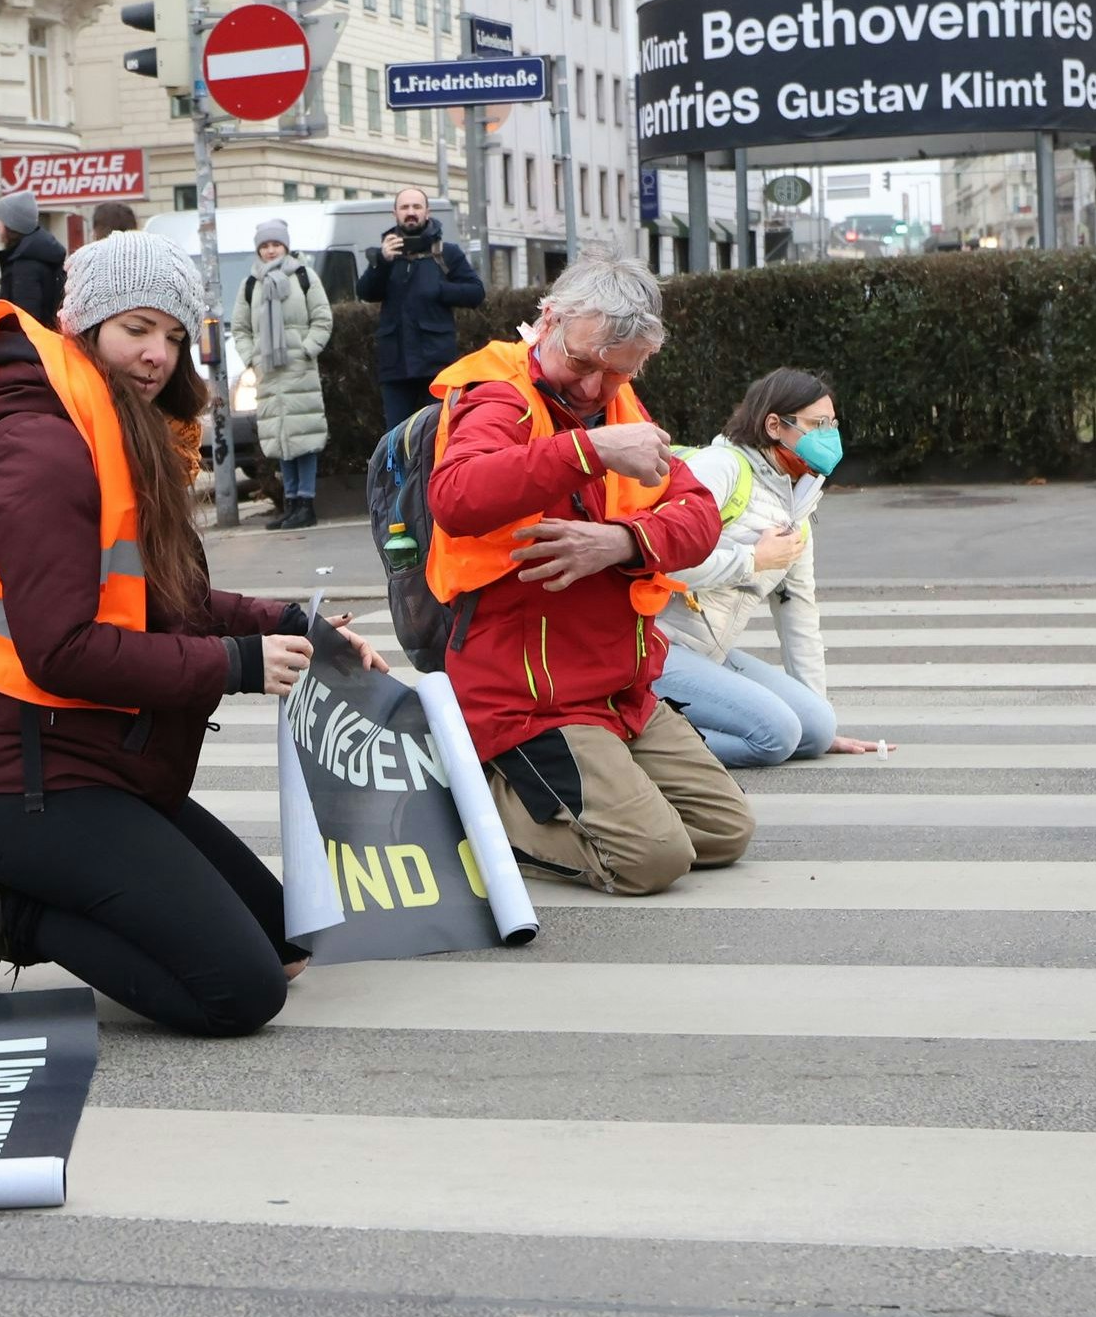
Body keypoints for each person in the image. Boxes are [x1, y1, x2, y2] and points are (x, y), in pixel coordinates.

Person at [0, 231, 391, 1033]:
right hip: (26, 786)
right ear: (83, 327)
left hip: (95, 763)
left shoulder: (113, 431)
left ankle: (48, 897)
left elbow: (160, 597)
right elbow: (62, 652)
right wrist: (238, 664)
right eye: (137, 329)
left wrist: (297, 626)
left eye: (176, 336)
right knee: (240, 994)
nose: (158, 355)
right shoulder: (49, 447)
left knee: (285, 943)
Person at [426, 255, 754, 894]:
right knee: (652, 860)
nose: (592, 390)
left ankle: (585, 794)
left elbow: (699, 518)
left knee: (723, 832)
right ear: (548, 321)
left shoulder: (622, 408)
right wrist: (589, 449)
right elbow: (457, 496)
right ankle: (476, 792)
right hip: (530, 700)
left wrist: (621, 542)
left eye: (618, 372)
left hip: (619, 689)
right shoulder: (500, 396)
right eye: (580, 365)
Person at [655, 367, 890, 766]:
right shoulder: (721, 468)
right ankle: (635, 748)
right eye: (817, 425)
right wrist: (752, 560)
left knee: (814, 729)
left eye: (832, 424)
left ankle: (665, 727)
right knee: (775, 736)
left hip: (707, 653)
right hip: (652, 647)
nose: (829, 435)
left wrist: (821, 724)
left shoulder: (795, 506)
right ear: (775, 426)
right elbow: (659, 560)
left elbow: (798, 612)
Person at [356, 184, 484, 444]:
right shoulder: (384, 254)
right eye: (405, 207)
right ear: (395, 213)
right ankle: (401, 487)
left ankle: (434, 485)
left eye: (416, 207)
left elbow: (476, 292)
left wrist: (439, 290)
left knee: (436, 437)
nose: (411, 212)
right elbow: (366, 292)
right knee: (397, 440)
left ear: (427, 212)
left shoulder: (445, 253)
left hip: (436, 365)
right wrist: (381, 262)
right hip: (396, 366)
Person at [240, 218, 335, 530]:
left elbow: (322, 317)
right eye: (265, 246)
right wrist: (251, 358)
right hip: (269, 372)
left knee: (303, 437)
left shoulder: (304, 275)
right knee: (280, 438)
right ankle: (290, 504)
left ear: (286, 246)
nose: (270, 251)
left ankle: (306, 504)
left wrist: (307, 349)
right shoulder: (250, 284)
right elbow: (240, 327)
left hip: (298, 369)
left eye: (275, 244)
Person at [0, 189, 68, 324]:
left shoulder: (25, 264)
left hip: (28, 342)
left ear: (11, 224)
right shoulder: (41, 255)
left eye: (0, 220)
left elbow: (26, 318)